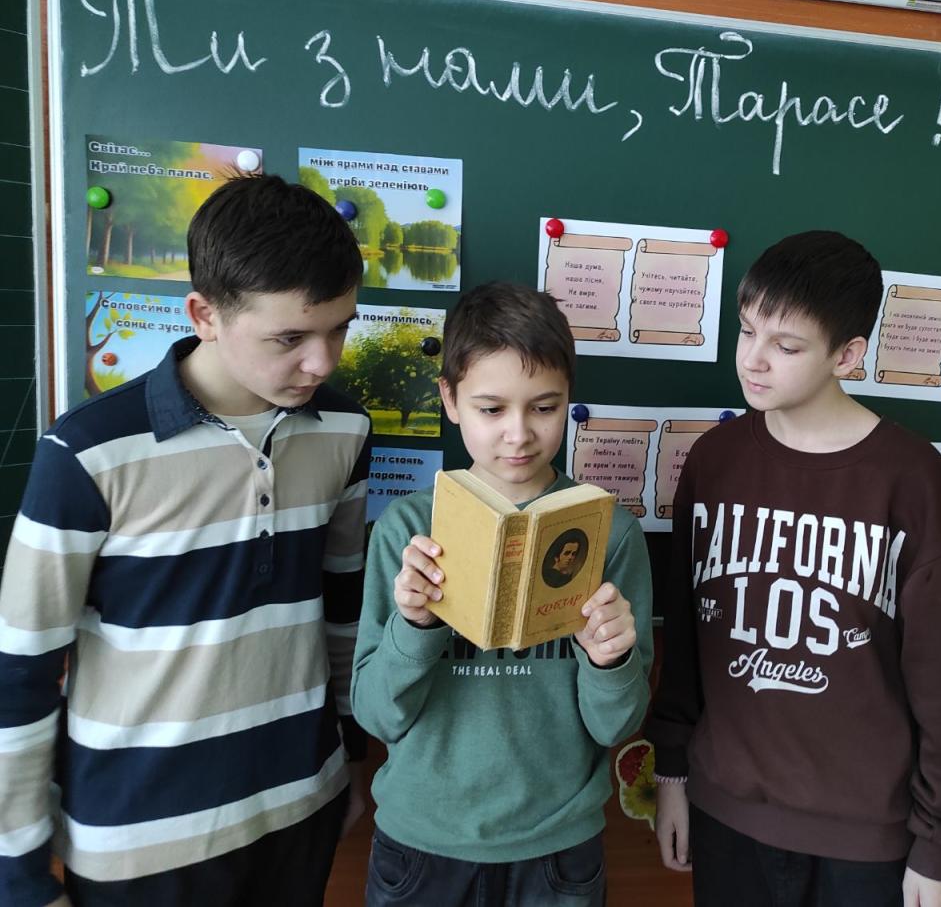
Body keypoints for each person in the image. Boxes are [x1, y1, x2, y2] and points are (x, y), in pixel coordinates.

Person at [0, 174, 371, 907]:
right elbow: (21, 670)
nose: (323, 361)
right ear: (205, 315)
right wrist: (17, 873)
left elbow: (342, 610)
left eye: (339, 328)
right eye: (290, 338)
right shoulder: (87, 453)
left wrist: (350, 758)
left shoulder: (344, 429)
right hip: (141, 838)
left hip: (301, 805)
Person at [646, 231, 941, 907]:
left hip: (867, 841)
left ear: (847, 355)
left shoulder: (909, 478)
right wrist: (673, 771)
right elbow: (687, 638)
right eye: (747, 330)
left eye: (787, 345)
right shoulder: (715, 461)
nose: (753, 359)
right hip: (727, 815)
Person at [352, 281, 654, 907]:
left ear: (569, 399)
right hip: (421, 842)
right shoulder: (407, 531)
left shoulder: (609, 532)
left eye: (544, 407)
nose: (518, 434)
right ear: (450, 399)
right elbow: (378, 716)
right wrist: (414, 624)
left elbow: (615, 727)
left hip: (556, 848)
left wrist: (611, 660)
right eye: (491, 410)